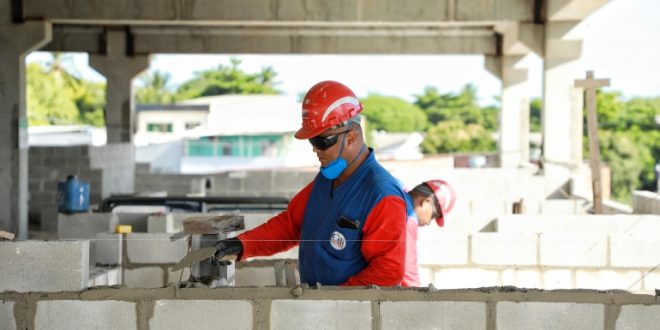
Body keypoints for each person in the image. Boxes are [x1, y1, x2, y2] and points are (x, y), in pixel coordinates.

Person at [212, 80, 410, 286]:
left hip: (349, 313)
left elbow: (388, 271)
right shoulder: (327, 178)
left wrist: (333, 302)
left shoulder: (382, 195)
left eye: (321, 142)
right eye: (312, 141)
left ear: (350, 137)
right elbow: (291, 225)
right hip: (318, 307)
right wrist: (242, 245)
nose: (315, 150)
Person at [401, 179, 456, 287]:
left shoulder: (398, 193)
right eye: (434, 216)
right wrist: (418, 299)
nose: (429, 222)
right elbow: (408, 274)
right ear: (425, 202)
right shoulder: (409, 218)